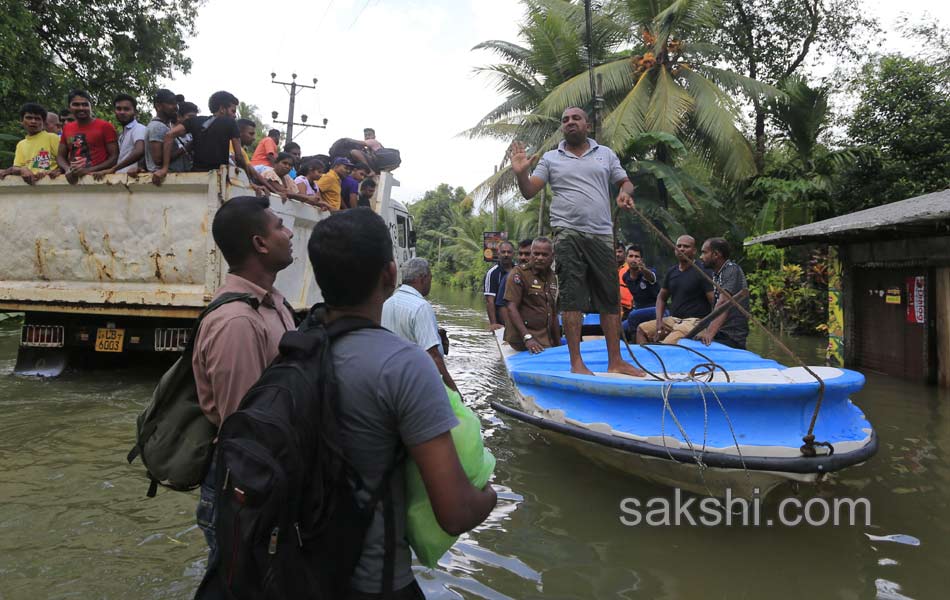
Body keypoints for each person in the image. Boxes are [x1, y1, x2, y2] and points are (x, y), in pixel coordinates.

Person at [308, 208, 496, 597]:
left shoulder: (295, 348)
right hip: (374, 579)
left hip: (302, 569)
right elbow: (455, 512)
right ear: (390, 275)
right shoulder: (407, 366)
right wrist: (492, 495)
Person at [192, 195, 296, 565]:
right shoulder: (236, 322)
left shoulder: (274, 305)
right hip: (246, 489)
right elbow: (246, 430)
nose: (289, 233)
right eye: (280, 227)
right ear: (260, 243)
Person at [510, 107, 643, 376]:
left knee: (609, 298)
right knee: (572, 299)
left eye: (575, 118)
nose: (570, 122)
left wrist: (624, 193)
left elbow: (626, 182)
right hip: (567, 233)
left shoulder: (605, 154)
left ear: (587, 125)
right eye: (565, 120)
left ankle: (615, 360)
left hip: (602, 234)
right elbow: (529, 191)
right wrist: (521, 174)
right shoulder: (550, 158)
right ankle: (576, 363)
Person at [153, 91, 261, 188]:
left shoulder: (195, 121)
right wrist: (250, 182)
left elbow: (169, 135)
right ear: (222, 109)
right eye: (233, 111)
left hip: (195, 178)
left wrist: (164, 168)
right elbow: (239, 156)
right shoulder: (231, 123)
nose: (234, 116)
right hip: (219, 179)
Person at [382, 257, 459, 393]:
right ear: (422, 278)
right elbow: (433, 355)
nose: (430, 281)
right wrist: (454, 391)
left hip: (390, 382)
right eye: (430, 277)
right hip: (415, 384)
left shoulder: (387, 304)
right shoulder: (421, 307)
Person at [636, 235, 714, 345]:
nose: (681, 249)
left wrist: (709, 328)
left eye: (686, 246)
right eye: (679, 246)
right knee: (641, 330)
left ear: (694, 251)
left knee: (667, 344)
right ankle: (645, 362)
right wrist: (659, 322)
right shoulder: (672, 271)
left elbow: (714, 302)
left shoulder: (702, 271)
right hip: (673, 319)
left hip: (693, 322)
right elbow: (661, 297)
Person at [503, 238, 560, 354]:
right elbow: (511, 307)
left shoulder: (553, 277)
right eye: (536, 254)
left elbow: (553, 313)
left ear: (552, 256)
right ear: (532, 254)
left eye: (544, 255)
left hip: (544, 338)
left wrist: (558, 346)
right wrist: (527, 338)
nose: (539, 258)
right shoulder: (518, 274)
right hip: (523, 339)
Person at [56, 89, 118, 184]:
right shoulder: (67, 128)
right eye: (76, 104)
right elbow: (60, 156)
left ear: (90, 106)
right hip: (74, 182)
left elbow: (114, 157)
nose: (81, 108)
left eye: (85, 104)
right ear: (69, 107)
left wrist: (89, 170)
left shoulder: (105, 126)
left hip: (100, 181)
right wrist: (67, 169)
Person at [697, 237, 750, 349]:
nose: (701, 257)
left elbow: (723, 303)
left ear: (716, 254)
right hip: (721, 333)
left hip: (731, 336)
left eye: (704, 252)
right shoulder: (717, 274)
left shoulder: (731, 270)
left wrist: (709, 333)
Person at [0, 103, 61, 184]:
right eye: (29, 118)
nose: (33, 121)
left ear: (43, 122)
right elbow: (16, 167)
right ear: (21, 121)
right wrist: (22, 170)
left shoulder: (52, 138)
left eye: (37, 118)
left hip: (52, 187)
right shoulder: (21, 144)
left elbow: (65, 162)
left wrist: (57, 171)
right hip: (29, 191)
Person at [100, 93, 147, 175]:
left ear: (135, 112)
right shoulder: (122, 134)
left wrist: (113, 169)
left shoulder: (139, 128)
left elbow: (139, 150)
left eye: (126, 109)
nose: (122, 112)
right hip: (122, 180)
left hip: (133, 180)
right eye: (118, 109)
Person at [622, 244, 663, 337]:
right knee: (619, 329)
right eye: (631, 256)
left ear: (641, 259)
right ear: (626, 259)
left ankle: (635, 344)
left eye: (637, 257)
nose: (633, 259)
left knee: (633, 316)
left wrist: (644, 270)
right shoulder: (625, 277)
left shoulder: (648, 272)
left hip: (656, 310)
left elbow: (651, 277)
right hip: (638, 310)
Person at [145, 89, 189, 173]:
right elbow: (158, 160)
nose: (176, 107)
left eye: (176, 103)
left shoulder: (163, 125)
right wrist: (185, 148)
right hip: (165, 180)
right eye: (171, 103)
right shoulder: (157, 127)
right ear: (158, 106)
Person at [495, 238, 533, 329]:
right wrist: (510, 329)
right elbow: (502, 307)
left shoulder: (547, 277)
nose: (523, 258)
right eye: (521, 254)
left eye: (527, 254)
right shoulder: (510, 277)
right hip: (519, 331)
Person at [483, 240, 514, 331]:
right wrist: (493, 323)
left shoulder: (518, 270)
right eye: (503, 252)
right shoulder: (492, 273)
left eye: (509, 252)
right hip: (501, 319)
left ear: (513, 254)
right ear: (498, 253)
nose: (506, 254)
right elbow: (490, 301)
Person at [616, 241, 633, 316]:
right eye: (615, 252)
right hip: (615, 307)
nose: (617, 254)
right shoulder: (611, 270)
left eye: (620, 252)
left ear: (625, 254)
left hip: (629, 308)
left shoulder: (630, 268)